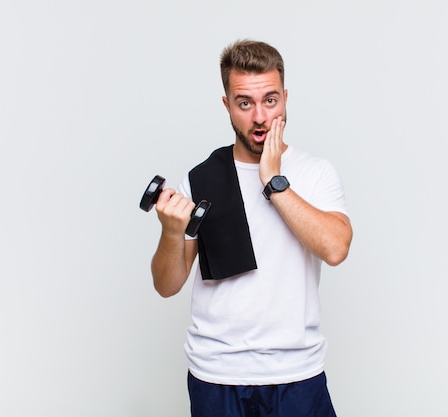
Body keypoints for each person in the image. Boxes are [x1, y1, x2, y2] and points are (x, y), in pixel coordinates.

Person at [150, 39, 353, 417]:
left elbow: (336, 248)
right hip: (217, 374)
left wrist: (273, 180)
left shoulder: (315, 172)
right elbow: (167, 285)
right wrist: (171, 231)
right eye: (245, 103)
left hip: (297, 373)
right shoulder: (202, 177)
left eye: (270, 100)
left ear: (286, 98)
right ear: (228, 104)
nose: (260, 117)